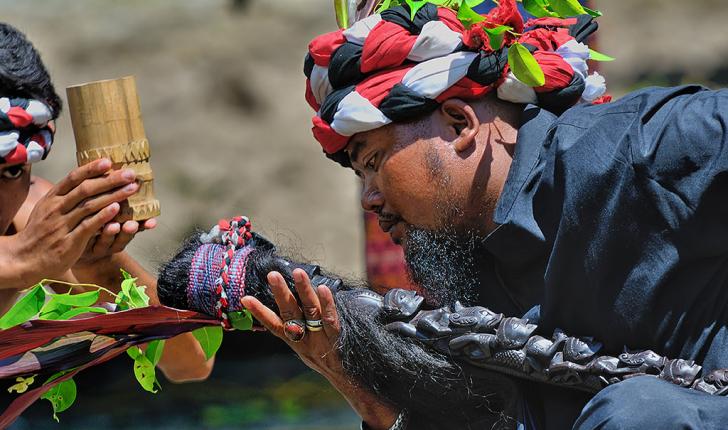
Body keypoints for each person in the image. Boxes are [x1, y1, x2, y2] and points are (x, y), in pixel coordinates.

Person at [237, 1, 728, 429]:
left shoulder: (643, 148)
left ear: (459, 123)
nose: (369, 199)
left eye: (372, 162)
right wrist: (368, 392)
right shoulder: (464, 264)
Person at [0, 22, 212, 382]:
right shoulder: (27, 245)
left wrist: (99, 268)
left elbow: (189, 366)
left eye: (11, 173)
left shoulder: (31, 216)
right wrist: (19, 258)